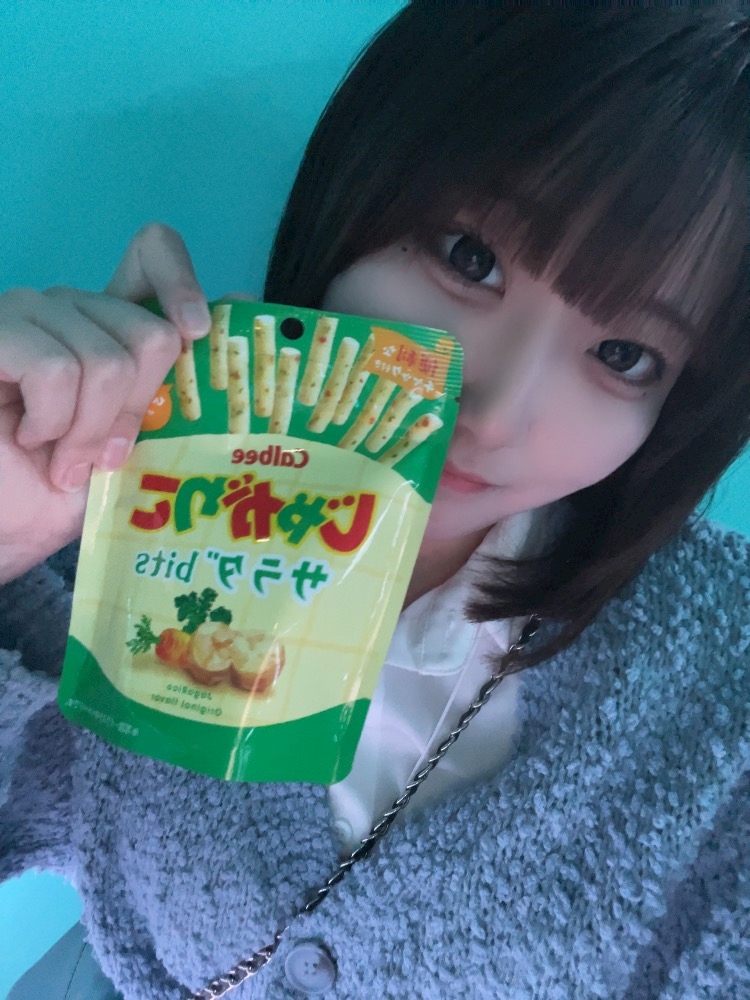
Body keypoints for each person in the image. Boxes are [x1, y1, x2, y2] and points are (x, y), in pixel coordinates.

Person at [1, 5, 749, 998]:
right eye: (470, 257)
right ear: (352, 196)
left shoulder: (723, 690)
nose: (494, 412)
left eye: (624, 355)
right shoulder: (118, 500)